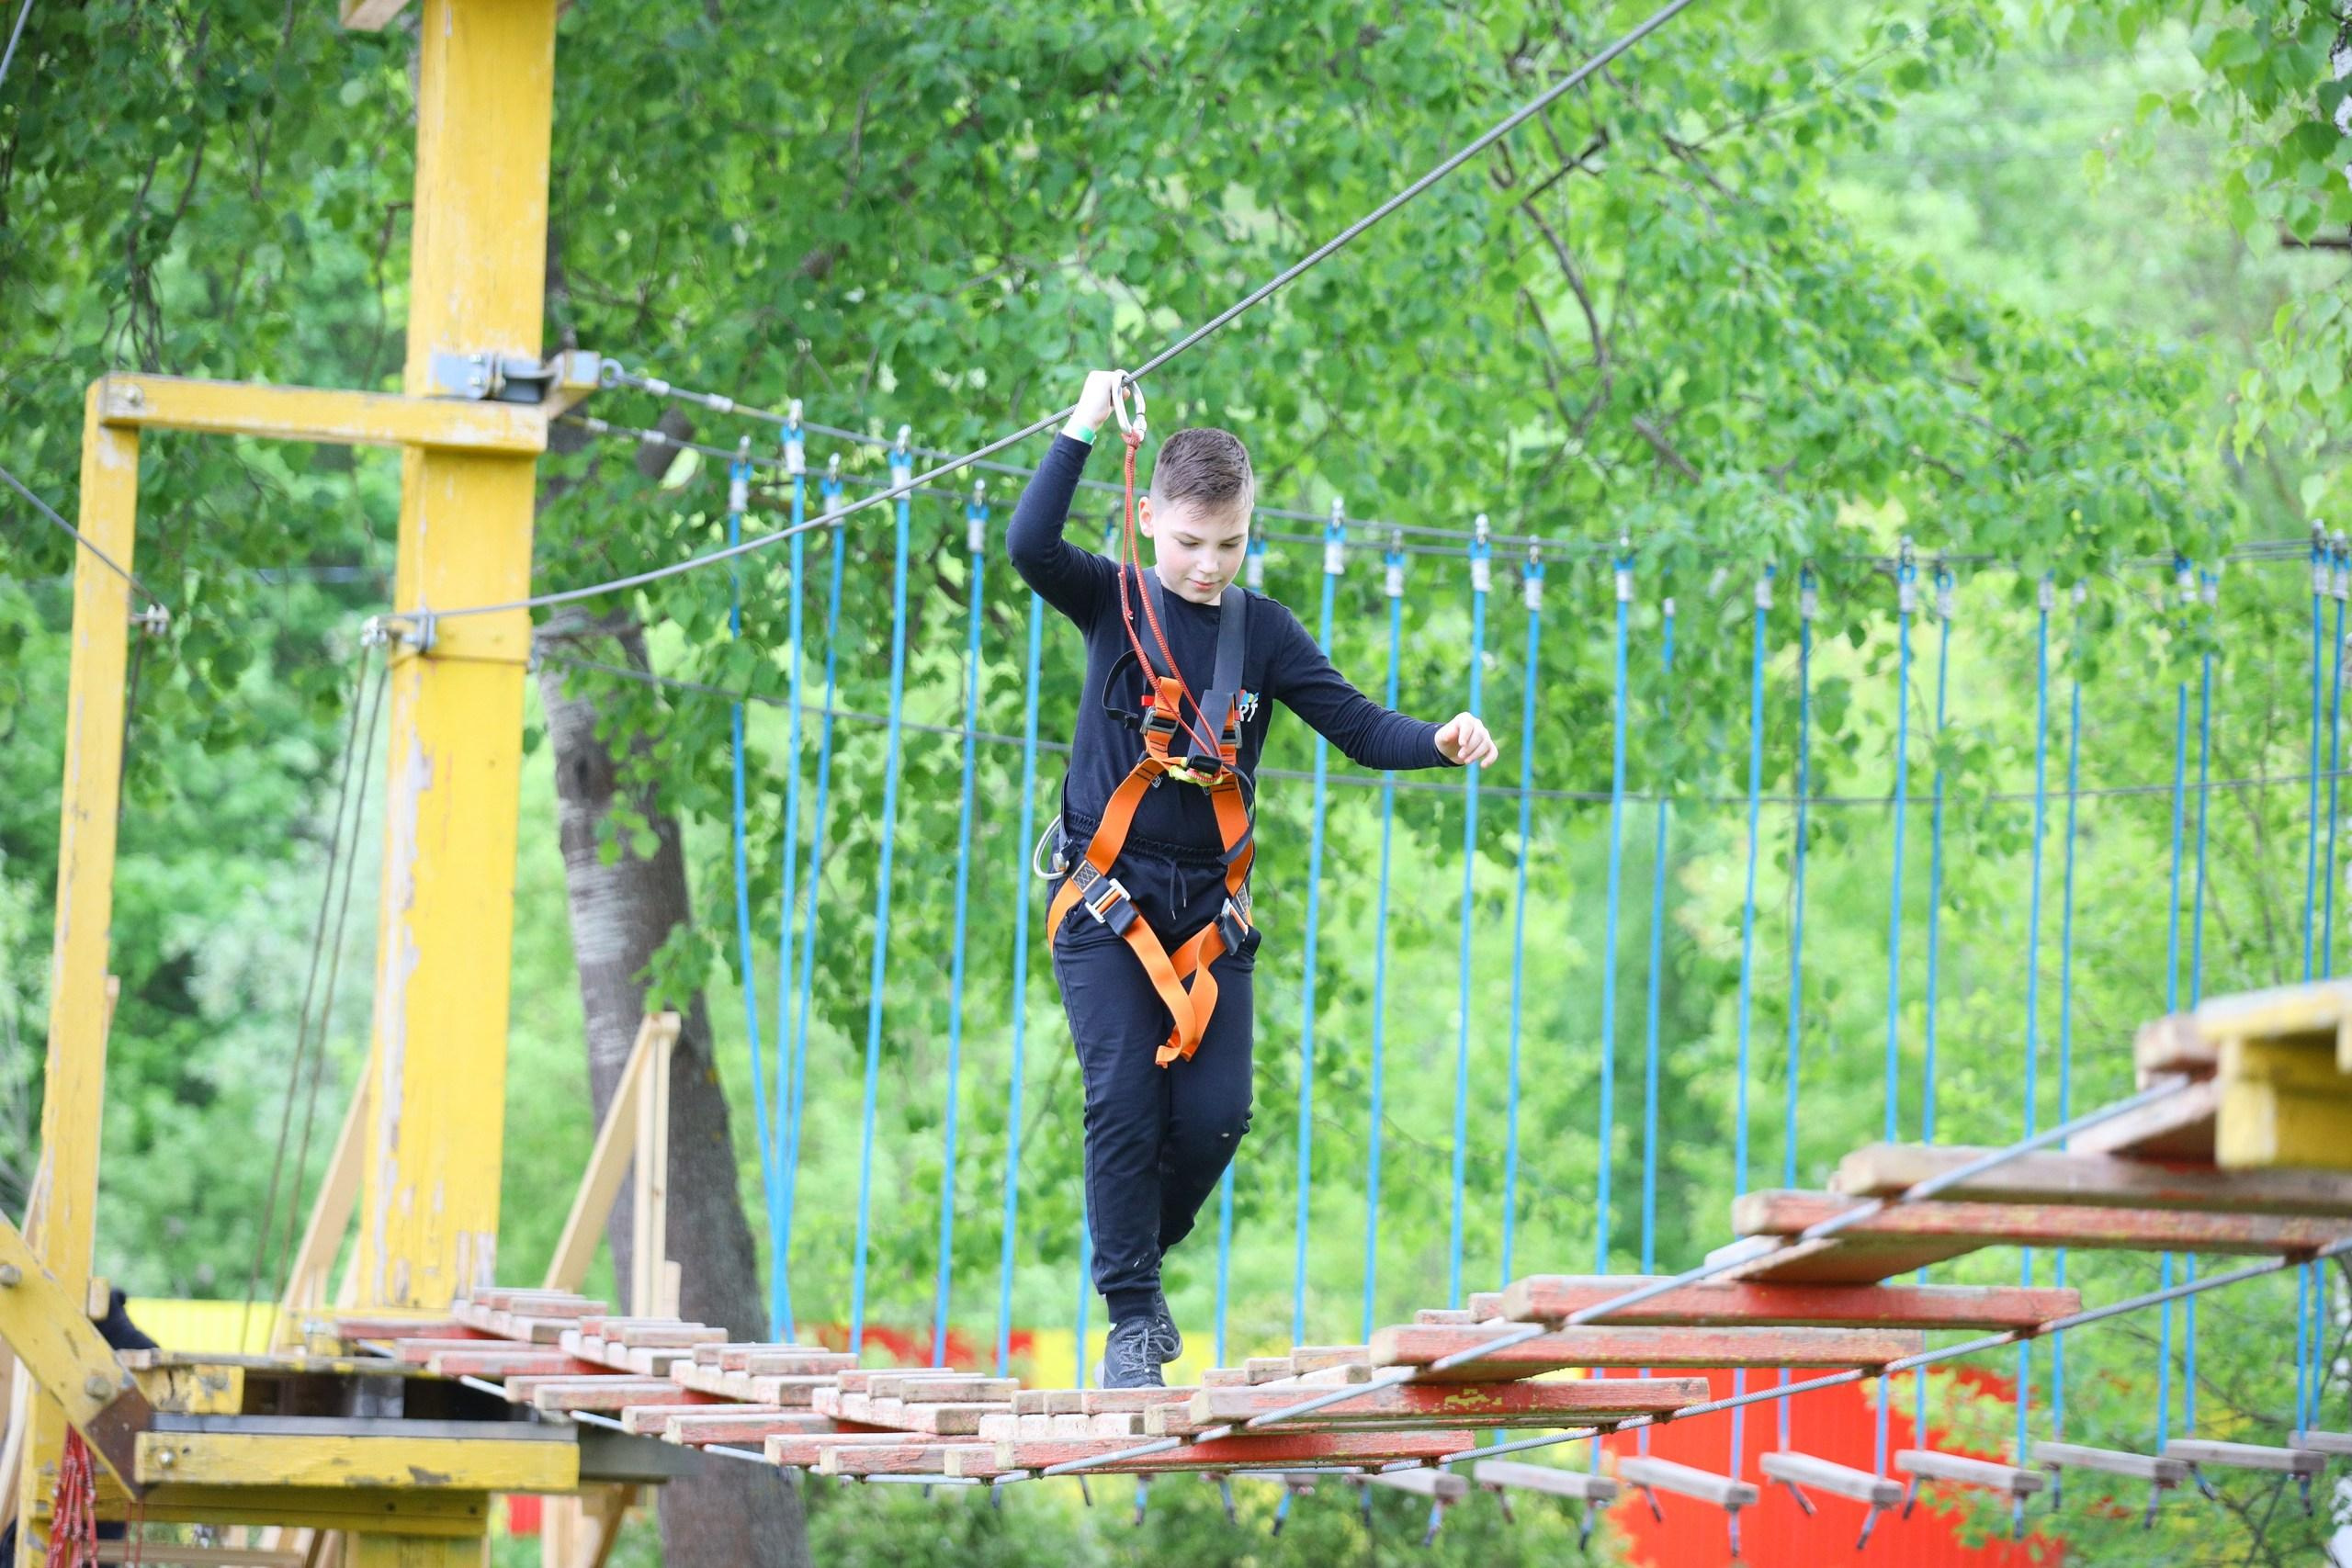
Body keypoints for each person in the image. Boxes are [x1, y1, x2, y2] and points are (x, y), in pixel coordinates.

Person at [1007, 369, 1499, 1388]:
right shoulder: (1113, 596)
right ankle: (1133, 1318)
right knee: (1123, 1100)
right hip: (1105, 903)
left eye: (1228, 545)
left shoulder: (1260, 633)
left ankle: (1134, 1240)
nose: (1205, 565)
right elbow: (1028, 547)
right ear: (1149, 521)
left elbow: (1360, 728)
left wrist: (1441, 741)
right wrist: (1084, 423)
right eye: (1187, 544)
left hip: (1206, 914)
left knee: (1217, 1114)